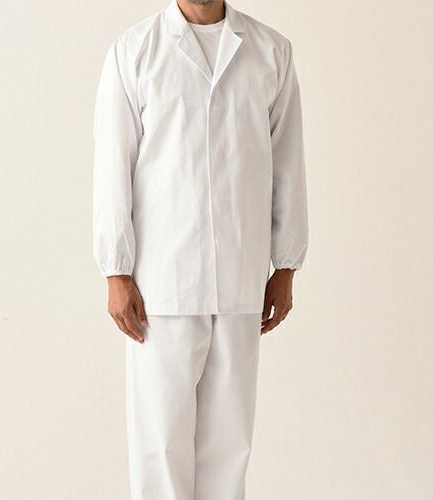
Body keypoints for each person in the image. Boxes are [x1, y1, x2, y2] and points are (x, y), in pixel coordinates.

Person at [93, 0, 308, 498]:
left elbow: (288, 161)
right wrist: (116, 270)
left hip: (240, 280)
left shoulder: (270, 52)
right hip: (159, 287)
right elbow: (112, 165)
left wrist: (286, 264)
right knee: (160, 445)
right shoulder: (134, 51)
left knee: (229, 447)